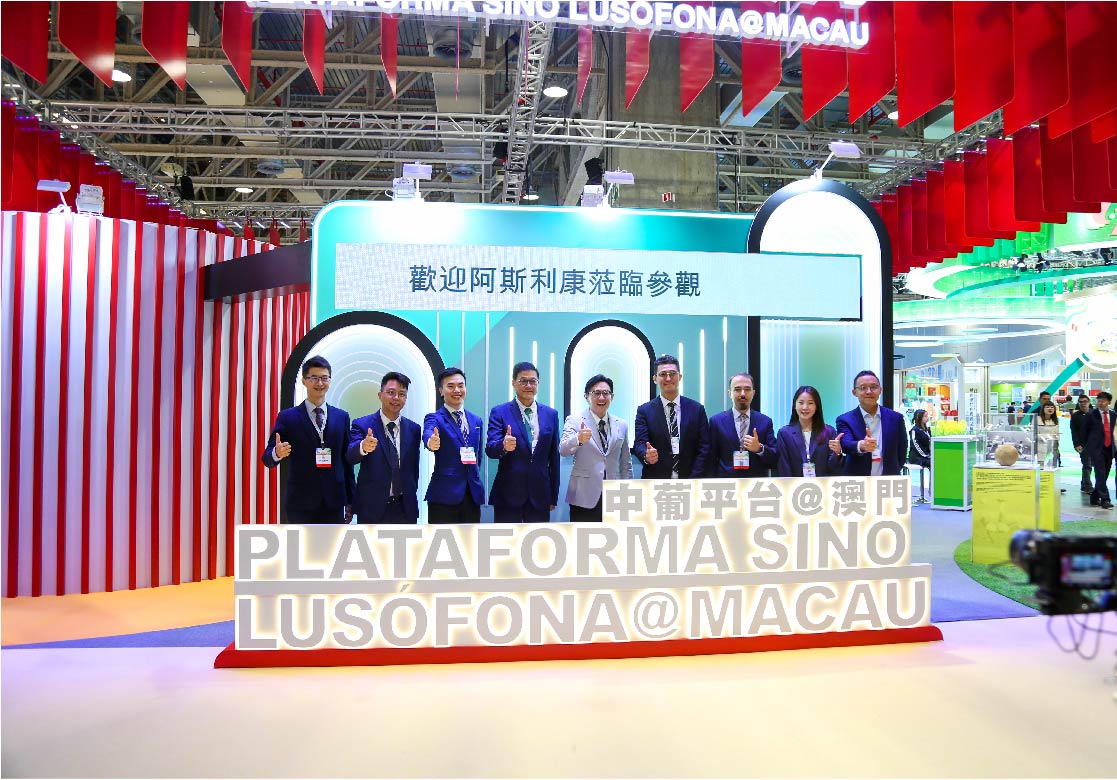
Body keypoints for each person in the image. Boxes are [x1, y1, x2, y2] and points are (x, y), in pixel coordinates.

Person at [261, 355, 355, 523]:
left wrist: (351, 500)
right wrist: (277, 452)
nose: (320, 383)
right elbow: (267, 458)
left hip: (334, 501)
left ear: (330, 380)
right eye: (314, 378)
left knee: (333, 542)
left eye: (324, 378)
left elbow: (346, 461)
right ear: (304, 381)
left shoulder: (342, 417)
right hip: (300, 503)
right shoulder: (287, 417)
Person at [486, 361, 561, 523]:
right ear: (513, 383)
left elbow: (554, 459)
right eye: (523, 381)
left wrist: (553, 496)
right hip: (508, 494)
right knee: (506, 538)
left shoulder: (551, 414)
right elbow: (490, 449)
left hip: (540, 495)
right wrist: (503, 445)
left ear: (538, 383)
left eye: (533, 381)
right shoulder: (500, 412)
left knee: (538, 538)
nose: (528, 385)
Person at [346, 372, 420, 524]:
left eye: (401, 394)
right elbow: (350, 456)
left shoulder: (414, 429)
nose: (396, 398)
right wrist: (363, 446)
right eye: (391, 392)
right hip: (371, 508)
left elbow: (414, 469)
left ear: (406, 398)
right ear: (380, 395)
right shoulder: (362, 425)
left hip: (405, 508)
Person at [559, 374, 632, 521]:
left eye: (606, 393)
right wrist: (578, 439)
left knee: (614, 534)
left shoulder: (622, 424)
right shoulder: (574, 420)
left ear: (612, 397)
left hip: (615, 494)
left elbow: (626, 462)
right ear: (586, 396)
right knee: (583, 535)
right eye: (596, 393)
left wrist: (627, 490)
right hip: (583, 494)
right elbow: (563, 450)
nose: (601, 397)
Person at [423, 367, 485, 523]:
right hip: (444, 495)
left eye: (460, 385)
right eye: (450, 386)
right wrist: (431, 441)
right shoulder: (434, 418)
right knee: (442, 538)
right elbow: (428, 432)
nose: (456, 390)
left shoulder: (476, 420)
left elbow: (478, 456)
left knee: (471, 538)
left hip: (472, 494)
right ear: (441, 391)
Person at [632, 354, 710, 479]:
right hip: (656, 480)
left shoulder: (697, 409)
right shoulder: (644, 411)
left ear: (680, 377)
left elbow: (704, 447)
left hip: (691, 479)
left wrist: (694, 478)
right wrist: (645, 455)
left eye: (672, 374)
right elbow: (639, 443)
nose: (668, 378)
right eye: (663, 374)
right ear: (655, 379)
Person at [836, 370, 907, 476]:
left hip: (888, 479)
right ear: (854, 392)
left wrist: (894, 470)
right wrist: (862, 445)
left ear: (880, 390)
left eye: (874, 387)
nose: (869, 391)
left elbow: (902, 450)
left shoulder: (896, 418)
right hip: (858, 479)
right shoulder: (845, 419)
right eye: (863, 388)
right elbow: (846, 444)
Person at [707, 372, 777, 478]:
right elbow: (710, 459)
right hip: (726, 482)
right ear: (730, 393)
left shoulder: (765, 421)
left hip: (755, 483)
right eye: (737, 389)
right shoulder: (716, 421)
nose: (743, 394)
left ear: (753, 393)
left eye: (747, 389)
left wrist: (759, 448)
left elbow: (775, 457)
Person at [775, 385, 845, 477]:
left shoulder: (829, 431)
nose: (805, 407)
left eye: (810, 403)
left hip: (823, 484)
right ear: (794, 406)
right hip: (794, 484)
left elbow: (833, 469)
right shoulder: (784, 433)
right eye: (801, 403)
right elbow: (784, 467)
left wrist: (838, 453)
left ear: (816, 406)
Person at [1082, 391, 1116, 510]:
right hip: (1096, 449)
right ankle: (1105, 499)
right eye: (1099, 401)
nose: (1100, 403)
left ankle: (1094, 497)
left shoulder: (1113, 415)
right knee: (1100, 473)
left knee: (1104, 474)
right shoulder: (1091, 415)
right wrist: (1088, 446)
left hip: (1109, 448)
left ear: (1109, 402)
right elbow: (1084, 432)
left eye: (1103, 401)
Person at [1070, 395, 1094, 493]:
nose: (1083, 404)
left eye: (1085, 401)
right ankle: (1088, 486)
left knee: (1090, 465)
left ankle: (1084, 484)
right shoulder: (1075, 416)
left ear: (1089, 402)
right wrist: (1076, 444)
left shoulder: (1095, 413)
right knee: (1087, 465)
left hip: (1095, 444)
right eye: (1080, 402)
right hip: (1083, 445)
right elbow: (1074, 432)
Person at [1035, 400, 1061, 470]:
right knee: (1040, 469)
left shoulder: (1056, 420)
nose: (1050, 409)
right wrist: (1047, 436)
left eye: (1052, 407)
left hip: (1052, 449)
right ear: (1043, 409)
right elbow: (1034, 435)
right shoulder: (1037, 419)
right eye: (1047, 407)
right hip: (1040, 448)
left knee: (1051, 470)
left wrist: (1056, 437)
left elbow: (1057, 435)